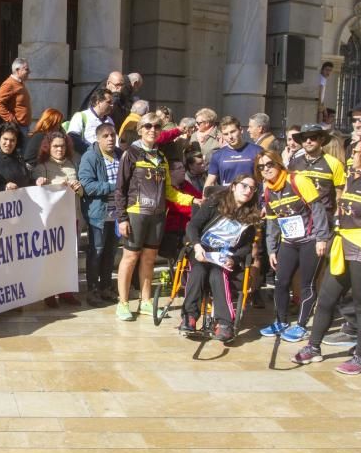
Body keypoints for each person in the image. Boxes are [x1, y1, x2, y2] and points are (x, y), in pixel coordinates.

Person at [292, 136, 361, 375]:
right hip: (343, 248)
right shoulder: (354, 179)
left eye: (357, 152)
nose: (352, 157)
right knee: (326, 300)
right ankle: (313, 347)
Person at [114, 113, 196, 321]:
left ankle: (146, 301)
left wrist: (192, 201)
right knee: (130, 257)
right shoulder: (130, 154)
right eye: (148, 126)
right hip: (136, 213)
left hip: (158, 215)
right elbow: (120, 188)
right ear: (140, 129)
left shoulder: (161, 157)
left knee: (149, 259)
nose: (152, 130)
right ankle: (122, 303)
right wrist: (122, 218)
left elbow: (169, 190)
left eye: (157, 127)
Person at [256, 150, 330, 343]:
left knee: (307, 284)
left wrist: (322, 238)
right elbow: (272, 222)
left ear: (279, 163)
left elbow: (318, 209)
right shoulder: (268, 189)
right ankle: (280, 321)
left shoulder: (297, 180)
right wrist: (272, 249)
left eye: (269, 164)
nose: (266, 169)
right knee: (281, 282)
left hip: (310, 240)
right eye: (261, 167)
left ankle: (302, 325)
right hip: (288, 242)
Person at [179, 174, 263, 342]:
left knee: (218, 273)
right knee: (199, 270)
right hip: (202, 249)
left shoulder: (250, 217)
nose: (248, 191)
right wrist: (196, 245)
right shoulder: (215, 203)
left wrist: (235, 258)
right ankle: (189, 317)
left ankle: (224, 323)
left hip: (226, 255)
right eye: (244, 186)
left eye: (252, 189)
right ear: (234, 186)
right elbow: (193, 225)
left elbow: (246, 246)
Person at [33, 131, 82, 307]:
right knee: (51, 257)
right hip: (52, 221)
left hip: (71, 218)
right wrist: (41, 183)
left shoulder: (72, 164)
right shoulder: (42, 167)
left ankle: (66, 292)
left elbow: (81, 193)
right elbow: (37, 193)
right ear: (48, 148)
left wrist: (78, 188)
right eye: (55, 146)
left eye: (62, 146)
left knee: (69, 257)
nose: (59, 149)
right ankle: (49, 292)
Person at [78, 124, 120, 307]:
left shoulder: (120, 154)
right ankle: (93, 290)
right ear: (98, 139)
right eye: (105, 136)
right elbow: (87, 185)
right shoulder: (90, 157)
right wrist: (113, 187)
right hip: (98, 214)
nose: (110, 139)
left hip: (118, 214)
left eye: (112, 135)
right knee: (97, 251)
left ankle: (106, 287)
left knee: (110, 252)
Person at [288, 124, 345, 215]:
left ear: (321, 139)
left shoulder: (334, 163)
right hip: (299, 216)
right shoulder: (294, 163)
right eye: (304, 138)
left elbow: (340, 192)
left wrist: (337, 215)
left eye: (313, 137)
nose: (308, 141)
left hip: (324, 215)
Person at [205, 116, 264, 188]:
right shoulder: (217, 155)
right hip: (227, 197)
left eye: (233, 132)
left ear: (241, 130)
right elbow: (210, 182)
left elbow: (265, 177)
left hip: (252, 196)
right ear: (222, 135)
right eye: (226, 134)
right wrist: (205, 197)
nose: (230, 137)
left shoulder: (257, 151)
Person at [67, 88, 115, 155]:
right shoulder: (80, 116)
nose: (112, 105)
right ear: (98, 102)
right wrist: (91, 152)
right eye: (109, 102)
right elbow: (72, 138)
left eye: (112, 102)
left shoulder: (110, 120)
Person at [0, 58, 31, 130]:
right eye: (26, 69)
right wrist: (12, 120)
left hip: (23, 127)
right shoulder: (9, 84)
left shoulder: (20, 83)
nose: (29, 72)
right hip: (17, 128)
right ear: (17, 70)